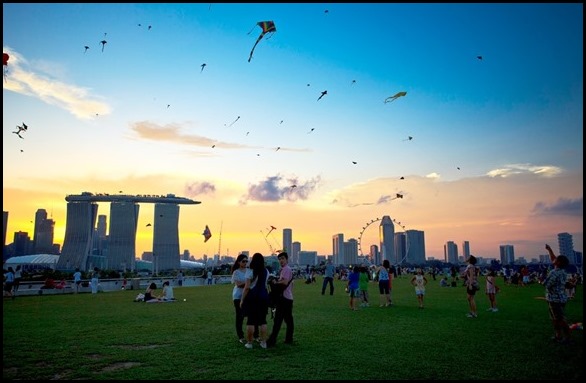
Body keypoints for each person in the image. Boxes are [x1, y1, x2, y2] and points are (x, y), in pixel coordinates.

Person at [240, 252, 270, 349]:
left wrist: (242, 299)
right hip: (264, 297)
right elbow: (265, 285)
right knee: (263, 321)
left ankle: (249, 343)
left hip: (252, 298)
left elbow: (247, 287)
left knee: (251, 321)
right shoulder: (266, 271)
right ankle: (264, 342)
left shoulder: (250, 271)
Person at [544, 244, 571, 344]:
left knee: (560, 319)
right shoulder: (563, 271)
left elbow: (547, 284)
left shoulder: (554, 272)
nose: (553, 259)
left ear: (558, 262)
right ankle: (558, 335)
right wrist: (549, 249)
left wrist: (542, 281)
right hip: (561, 298)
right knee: (555, 318)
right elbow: (553, 259)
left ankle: (567, 338)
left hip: (554, 299)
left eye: (556, 259)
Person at [267, 252, 294, 348]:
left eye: (282, 258)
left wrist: (275, 281)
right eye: (279, 259)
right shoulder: (284, 269)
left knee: (278, 320)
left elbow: (285, 282)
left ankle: (271, 340)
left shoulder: (286, 269)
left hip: (284, 298)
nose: (281, 261)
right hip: (288, 298)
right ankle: (288, 338)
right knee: (288, 320)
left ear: (287, 259)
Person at [231, 254, 249, 344]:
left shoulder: (249, 271)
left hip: (247, 296)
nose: (245, 263)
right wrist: (248, 282)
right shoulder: (236, 272)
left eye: (246, 261)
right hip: (238, 296)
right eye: (243, 261)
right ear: (239, 262)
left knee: (251, 315)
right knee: (240, 317)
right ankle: (241, 336)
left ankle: (254, 334)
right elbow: (238, 284)